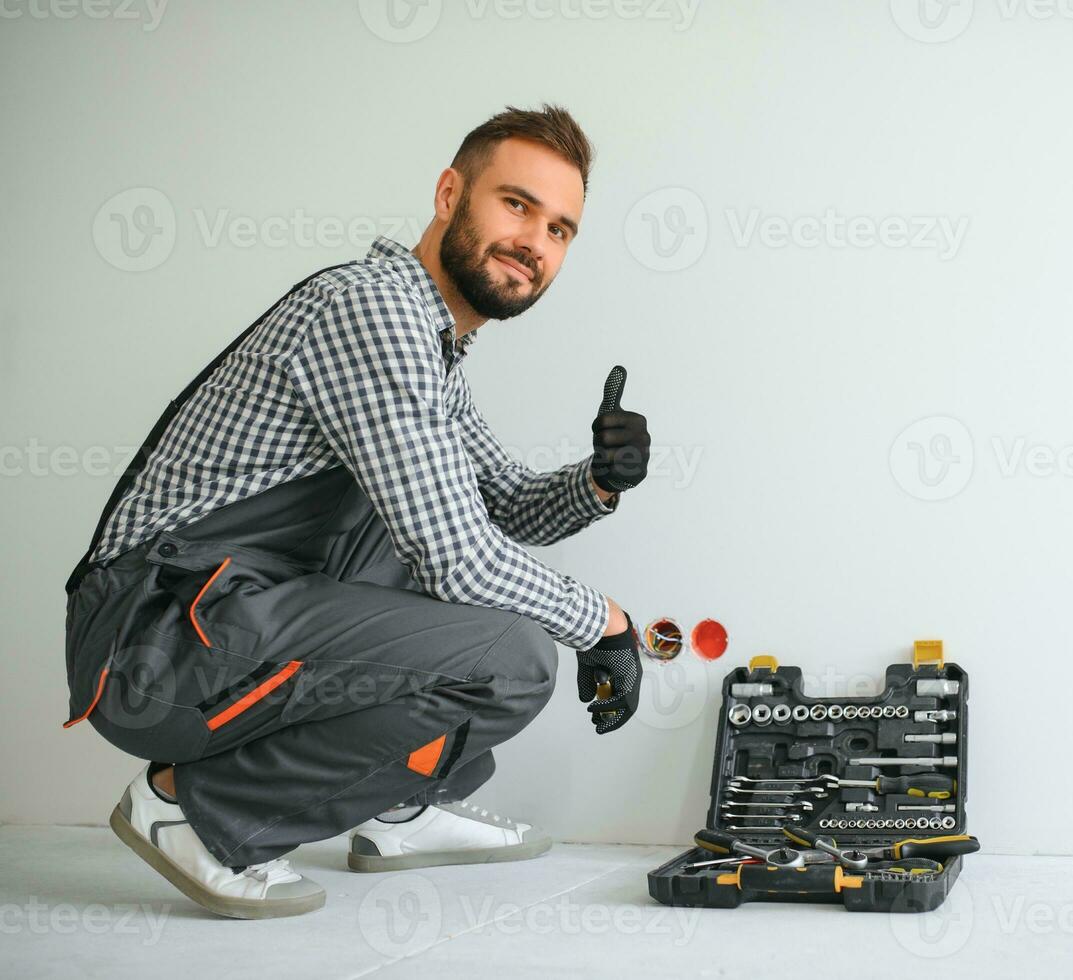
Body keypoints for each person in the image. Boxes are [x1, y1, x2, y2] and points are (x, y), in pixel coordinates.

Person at [60, 104, 649, 919]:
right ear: (450, 194)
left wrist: (599, 481)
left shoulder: (431, 347)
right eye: (515, 205)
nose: (533, 242)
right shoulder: (373, 312)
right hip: (153, 644)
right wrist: (605, 625)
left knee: (423, 518)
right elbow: (460, 559)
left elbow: (504, 504)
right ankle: (195, 815)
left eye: (559, 229)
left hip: (229, 615)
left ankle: (393, 812)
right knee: (511, 658)